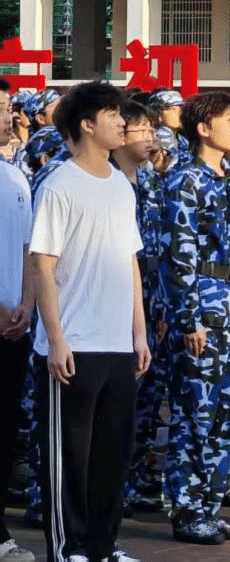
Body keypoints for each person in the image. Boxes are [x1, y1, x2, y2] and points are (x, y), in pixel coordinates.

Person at [31, 82, 149, 562]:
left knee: (111, 457)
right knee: (69, 460)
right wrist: (56, 339)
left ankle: (104, 546)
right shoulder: (59, 184)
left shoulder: (121, 185)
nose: (123, 122)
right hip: (73, 344)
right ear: (86, 124)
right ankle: (69, 549)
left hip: (117, 343)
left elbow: (130, 261)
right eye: (113, 114)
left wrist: (138, 332)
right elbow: (42, 264)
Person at [163, 91, 230, 546]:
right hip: (202, 306)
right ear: (203, 129)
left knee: (223, 416)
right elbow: (179, 256)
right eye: (229, 120)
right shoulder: (185, 180)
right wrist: (188, 320)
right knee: (194, 416)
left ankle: (210, 508)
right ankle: (186, 509)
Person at [113, 103, 168, 515]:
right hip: (116, 298)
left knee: (146, 402)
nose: (150, 138)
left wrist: (160, 306)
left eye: (153, 130)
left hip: (149, 299)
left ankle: (130, 483)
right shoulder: (107, 180)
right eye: (141, 130)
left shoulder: (150, 182)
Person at [0, 80, 34, 562]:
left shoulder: (16, 177)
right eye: (0, 107)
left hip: (13, 326)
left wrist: (25, 304)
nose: (8, 114)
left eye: (8, 105)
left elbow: (30, 249)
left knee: (5, 429)